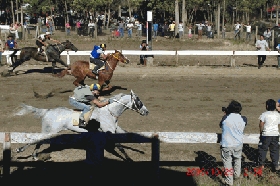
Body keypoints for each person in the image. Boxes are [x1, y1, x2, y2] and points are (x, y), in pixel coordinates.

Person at [220, 100, 247, 186]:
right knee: (237, 160)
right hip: (238, 144)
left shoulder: (225, 118)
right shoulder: (243, 119)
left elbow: (221, 125)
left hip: (226, 144)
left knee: (227, 163)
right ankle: (236, 175)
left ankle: (229, 182)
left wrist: (226, 115)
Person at [258, 99, 280, 171]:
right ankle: (275, 165)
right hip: (275, 135)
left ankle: (261, 165)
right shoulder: (278, 115)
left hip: (266, 134)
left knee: (263, 150)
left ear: (267, 106)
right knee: (275, 150)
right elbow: (278, 124)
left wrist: (261, 132)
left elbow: (261, 124)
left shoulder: (264, 114)